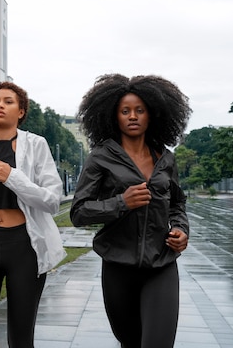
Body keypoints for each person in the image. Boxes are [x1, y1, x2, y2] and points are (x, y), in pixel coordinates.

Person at [70, 74, 191, 348]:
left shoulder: (166, 158)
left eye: (140, 110)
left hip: (162, 265)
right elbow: (79, 212)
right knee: (130, 342)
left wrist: (181, 230)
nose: (132, 116)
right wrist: (121, 202)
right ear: (114, 117)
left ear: (152, 115)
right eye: (125, 111)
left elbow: (177, 204)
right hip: (117, 268)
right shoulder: (100, 156)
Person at [0, 81, 66, 348]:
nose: (0, 105)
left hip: (24, 245)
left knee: (20, 338)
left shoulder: (36, 144)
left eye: (8, 101)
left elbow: (53, 200)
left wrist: (13, 178)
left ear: (20, 111)